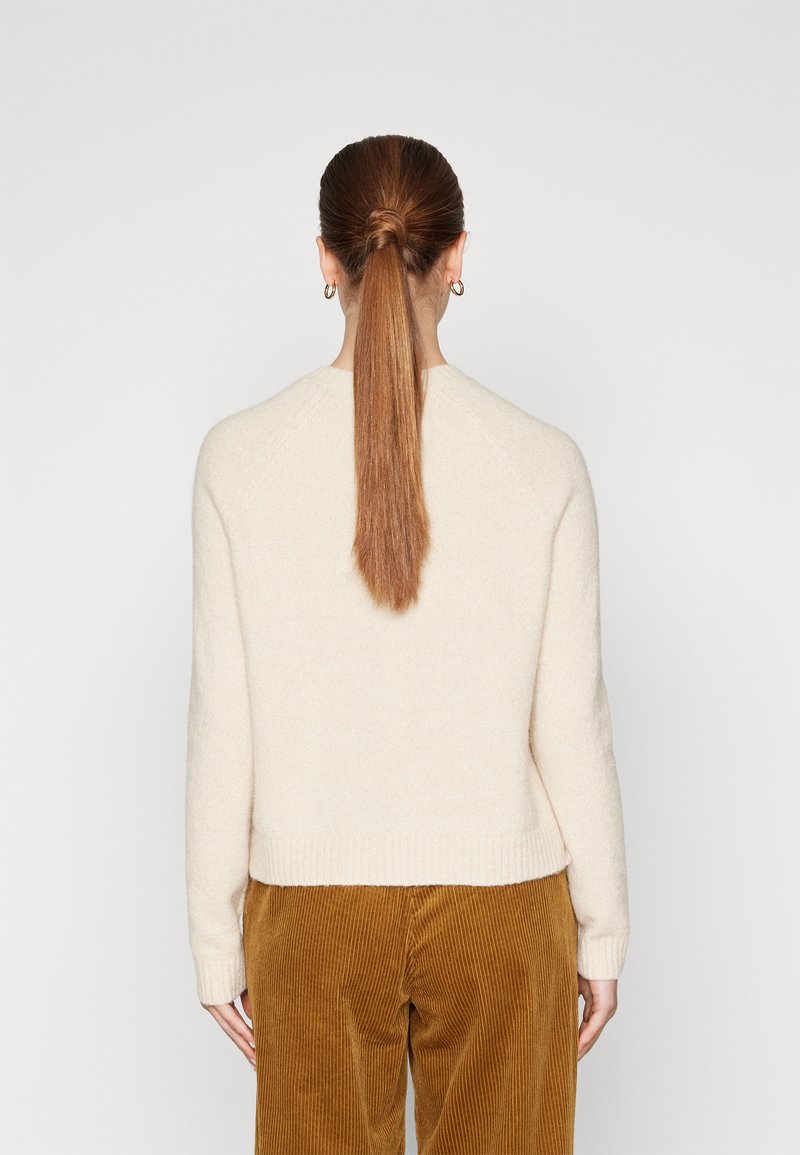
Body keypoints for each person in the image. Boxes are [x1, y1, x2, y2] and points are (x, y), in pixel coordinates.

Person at [185, 133, 630, 1155]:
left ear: (325, 259)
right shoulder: (545, 461)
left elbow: (222, 721)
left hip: (309, 913)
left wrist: (215, 943)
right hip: (503, 909)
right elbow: (573, 723)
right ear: (456, 256)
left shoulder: (235, 459)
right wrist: (601, 929)